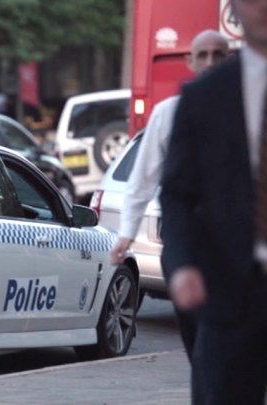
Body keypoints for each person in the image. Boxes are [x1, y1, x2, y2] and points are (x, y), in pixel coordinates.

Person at [160, 0, 267, 402]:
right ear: (234, 9)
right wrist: (184, 263)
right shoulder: (204, 97)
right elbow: (177, 193)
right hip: (229, 294)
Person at [109, 29, 230, 362]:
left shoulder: (247, 108)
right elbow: (142, 176)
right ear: (190, 61)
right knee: (197, 339)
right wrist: (126, 234)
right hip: (186, 243)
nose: (210, 62)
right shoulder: (167, 113)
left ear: (229, 60)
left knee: (227, 337)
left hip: (233, 245)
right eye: (202, 55)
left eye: (217, 55)